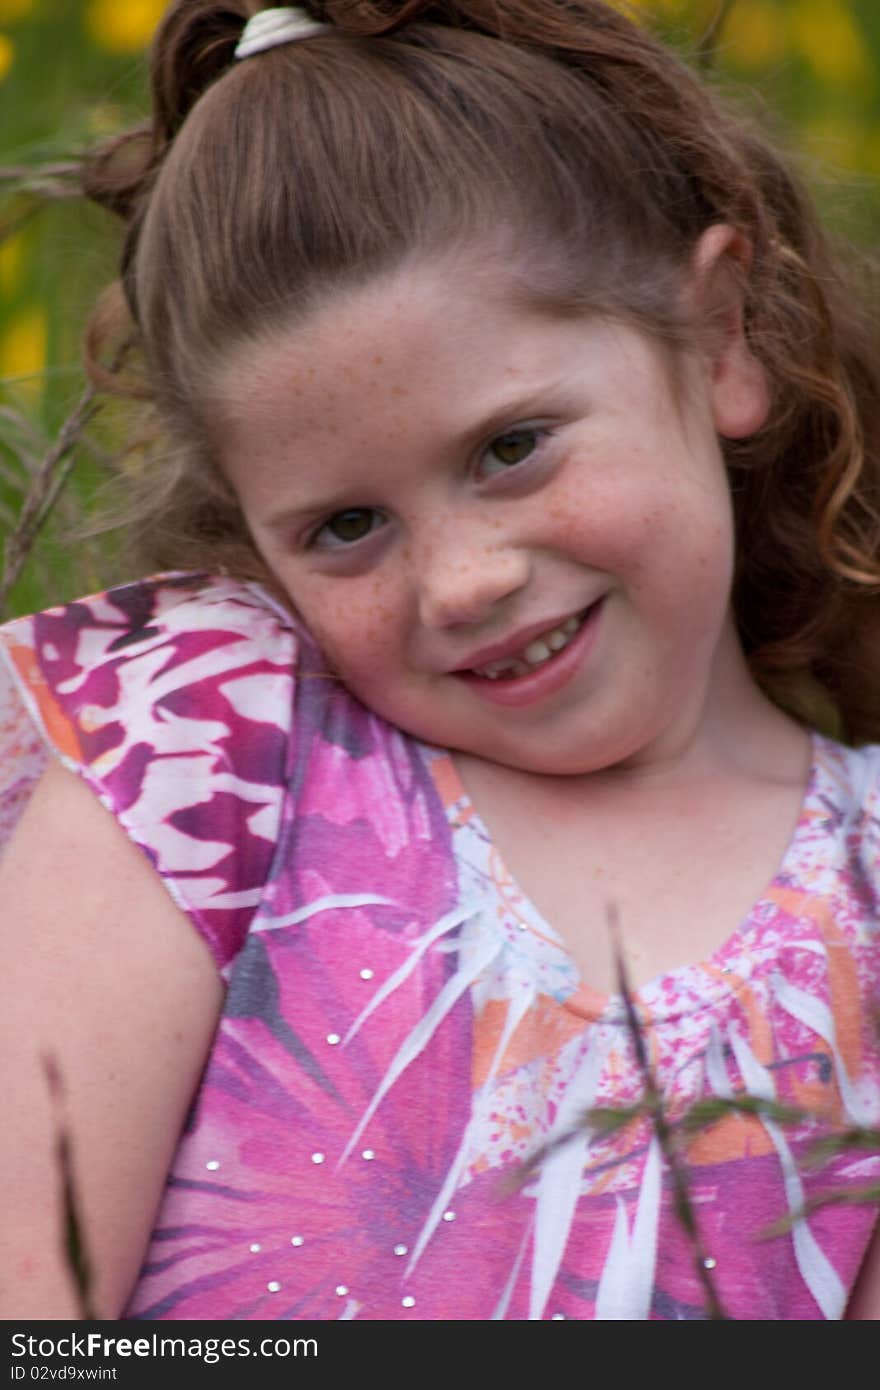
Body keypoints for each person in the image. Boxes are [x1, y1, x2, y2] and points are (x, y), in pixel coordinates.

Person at [0, 0, 879, 1323]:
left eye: (511, 446)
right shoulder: (204, 743)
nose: (463, 581)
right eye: (346, 527)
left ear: (719, 338)